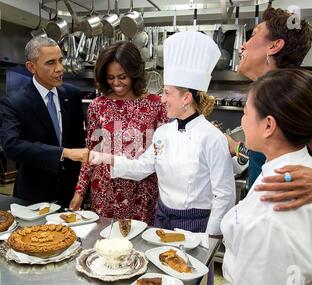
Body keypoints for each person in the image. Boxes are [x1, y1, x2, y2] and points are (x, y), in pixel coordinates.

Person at [221, 69, 312, 285]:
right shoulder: (300, 169)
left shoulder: (275, 209)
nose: (242, 120)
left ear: (268, 125)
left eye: (245, 112)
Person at [91, 32, 235, 235]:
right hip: (162, 218)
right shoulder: (162, 133)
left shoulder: (212, 138)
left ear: (186, 98)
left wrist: (209, 238)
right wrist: (109, 159)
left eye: (166, 93)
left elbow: (225, 194)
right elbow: (143, 167)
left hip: (196, 225)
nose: (161, 99)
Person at [227, 7, 312, 210]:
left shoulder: (297, 101)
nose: (243, 45)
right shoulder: (261, 99)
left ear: (274, 46)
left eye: (252, 35)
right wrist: (236, 147)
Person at [69, 41, 167, 225]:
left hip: (143, 191)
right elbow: (91, 153)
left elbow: (162, 154)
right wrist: (79, 193)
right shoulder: (98, 106)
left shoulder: (156, 105)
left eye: (122, 77)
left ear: (135, 73)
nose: (116, 83)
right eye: (110, 77)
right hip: (105, 191)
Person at [0, 36, 88, 207]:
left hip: (69, 194)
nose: (60, 68)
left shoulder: (72, 95)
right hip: (33, 196)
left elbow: (78, 143)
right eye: (50, 63)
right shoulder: (15, 102)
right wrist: (63, 153)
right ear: (31, 67)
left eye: (60, 61)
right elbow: (12, 146)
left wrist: (81, 190)